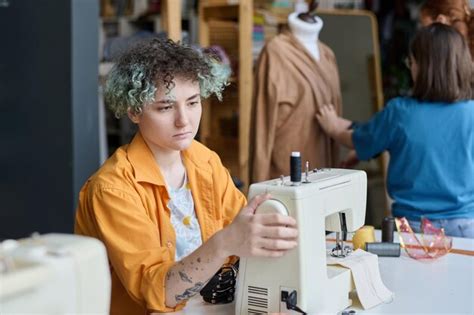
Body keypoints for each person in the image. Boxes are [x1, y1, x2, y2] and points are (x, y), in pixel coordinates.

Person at [74, 38, 298, 314]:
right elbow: (158, 293)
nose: (184, 120)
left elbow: (245, 230)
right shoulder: (112, 189)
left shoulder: (205, 161)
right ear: (134, 110)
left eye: (192, 102)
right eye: (165, 107)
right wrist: (225, 242)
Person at [316, 23, 474, 238]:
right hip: (466, 228)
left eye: (412, 62)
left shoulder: (400, 112)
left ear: (420, 67)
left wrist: (333, 127)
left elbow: (357, 139)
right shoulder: (470, 113)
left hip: (414, 229)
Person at [249, 3, 342, 183]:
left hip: (322, 160)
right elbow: (262, 120)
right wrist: (259, 178)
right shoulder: (275, 51)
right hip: (286, 163)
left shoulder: (328, 55)